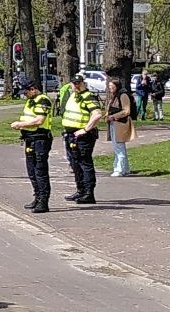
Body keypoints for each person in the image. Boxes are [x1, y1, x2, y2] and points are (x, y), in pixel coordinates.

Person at [57, 70, 104, 205]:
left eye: (79, 83)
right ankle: (80, 190)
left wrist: (85, 129)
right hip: (71, 134)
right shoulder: (73, 96)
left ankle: (89, 193)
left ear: (84, 84)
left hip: (83, 136)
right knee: (75, 164)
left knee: (84, 163)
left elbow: (97, 114)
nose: (76, 86)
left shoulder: (88, 97)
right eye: (74, 83)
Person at [13, 79, 58, 214]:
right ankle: (37, 197)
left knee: (40, 171)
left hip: (40, 139)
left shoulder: (42, 100)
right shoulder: (31, 101)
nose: (25, 95)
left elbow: (39, 120)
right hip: (30, 139)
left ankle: (43, 202)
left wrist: (20, 125)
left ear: (33, 89)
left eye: (26, 92)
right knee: (31, 170)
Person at [105, 74, 136, 178]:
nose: (110, 88)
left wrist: (114, 116)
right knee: (117, 147)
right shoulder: (114, 96)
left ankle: (119, 169)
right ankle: (125, 168)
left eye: (112, 86)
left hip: (120, 124)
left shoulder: (122, 95)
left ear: (117, 86)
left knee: (119, 147)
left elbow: (126, 110)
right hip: (114, 123)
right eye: (109, 86)